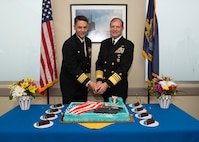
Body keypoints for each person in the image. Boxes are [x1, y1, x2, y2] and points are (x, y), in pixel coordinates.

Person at [95, 18, 134, 103]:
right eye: (112, 26)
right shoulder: (104, 43)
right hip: (104, 88)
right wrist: (99, 80)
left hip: (118, 88)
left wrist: (107, 84)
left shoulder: (128, 45)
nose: (115, 29)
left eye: (117, 27)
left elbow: (123, 68)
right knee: (105, 114)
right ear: (110, 28)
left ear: (122, 28)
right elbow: (99, 63)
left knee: (117, 115)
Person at [60, 15, 96, 104]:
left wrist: (86, 83)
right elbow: (73, 68)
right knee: (71, 112)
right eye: (79, 27)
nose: (82, 30)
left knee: (82, 111)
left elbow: (87, 64)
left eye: (85, 27)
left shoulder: (88, 41)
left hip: (83, 84)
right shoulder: (68, 44)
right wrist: (89, 83)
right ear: (74, 27)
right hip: (70, 85)